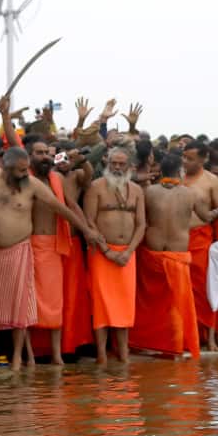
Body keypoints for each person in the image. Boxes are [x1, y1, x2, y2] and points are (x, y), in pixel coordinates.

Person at [0, 147, 98, 372]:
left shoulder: (32, 184)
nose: (25, 174)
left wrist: (86, 231)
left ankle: (16, 359)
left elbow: (60, 208)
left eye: (26, 170)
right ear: (6, 166)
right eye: (21, 170)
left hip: (20, 249)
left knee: (20, 305)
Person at [132, 154, 218, 359]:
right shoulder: (190, 194)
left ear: (161, 171)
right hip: (177, 254)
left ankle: (145, 343)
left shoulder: (149, 192)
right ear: (180, 171)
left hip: (152, 252)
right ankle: (175, 344)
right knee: (175, 303)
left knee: (150, 302)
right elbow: (206, 217)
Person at [82, 147, 147, 364]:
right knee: (101, 305)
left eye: (121, 164)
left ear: (129, 166)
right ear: (107, 163)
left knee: (125, 305)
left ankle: (124, 355)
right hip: (102, 254)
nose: (117, 168)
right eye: (114, 163)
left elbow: (141, 224)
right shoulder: (95, 187)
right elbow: (89, 221)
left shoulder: (137, 190)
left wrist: (128, 251)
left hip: (127, 255)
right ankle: (102, 355)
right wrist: (107, 251)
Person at [181, 141, 218, 352]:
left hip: (202, 239)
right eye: (184, 157)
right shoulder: (176, 177)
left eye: (190, 158)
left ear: (203, 159)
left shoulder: (212, 181)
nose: (185, 162)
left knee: (206, 289)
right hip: (179, 239)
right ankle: (186, 337)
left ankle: (209, 338)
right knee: (183, 291)